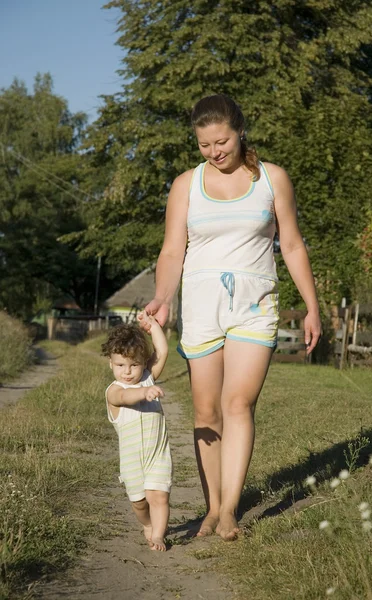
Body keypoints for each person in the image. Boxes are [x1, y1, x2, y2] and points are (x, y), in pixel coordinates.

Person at [144, 94, 321, 541]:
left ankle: (229, 512)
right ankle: (211, 506)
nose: (214, 151)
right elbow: (171, 250)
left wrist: (313, 307)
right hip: (201, 305)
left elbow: (293, 246)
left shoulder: (272, 179)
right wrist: (163, 297)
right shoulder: (186, 185)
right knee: (206, 410)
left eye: (221, 141)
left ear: (240, 131)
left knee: (237, 403)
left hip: (254, 305)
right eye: (204, 145)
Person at [102, 313, 172, 551]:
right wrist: (144, 393)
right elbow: (124, 397)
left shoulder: (147, 379)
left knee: (159, 496)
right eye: (121, 365)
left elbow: (162, 352)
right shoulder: (114, 390)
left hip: (157, 455)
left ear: (143, 363)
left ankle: (159, 536)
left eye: (134, 365)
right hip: (132, 461)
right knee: (140, 502)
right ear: (111, 363)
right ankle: (147, 523)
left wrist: (153, 327)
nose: (128, 372)